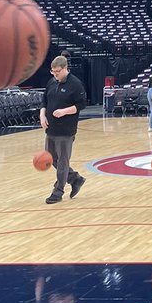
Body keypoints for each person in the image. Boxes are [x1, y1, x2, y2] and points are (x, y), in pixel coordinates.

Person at [40, 55, 87, 205]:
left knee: (62, 162)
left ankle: (58, 191)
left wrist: (64, 111)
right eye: (52, 71)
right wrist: (42, 115)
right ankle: (75, 179)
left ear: (65, 68)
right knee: (51, 159)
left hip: (66, 130)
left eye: (57, 71)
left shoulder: (75, 84)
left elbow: (81, 105)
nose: (55, 74)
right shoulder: (51, 82)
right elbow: (44, 101)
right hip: (51, 129)